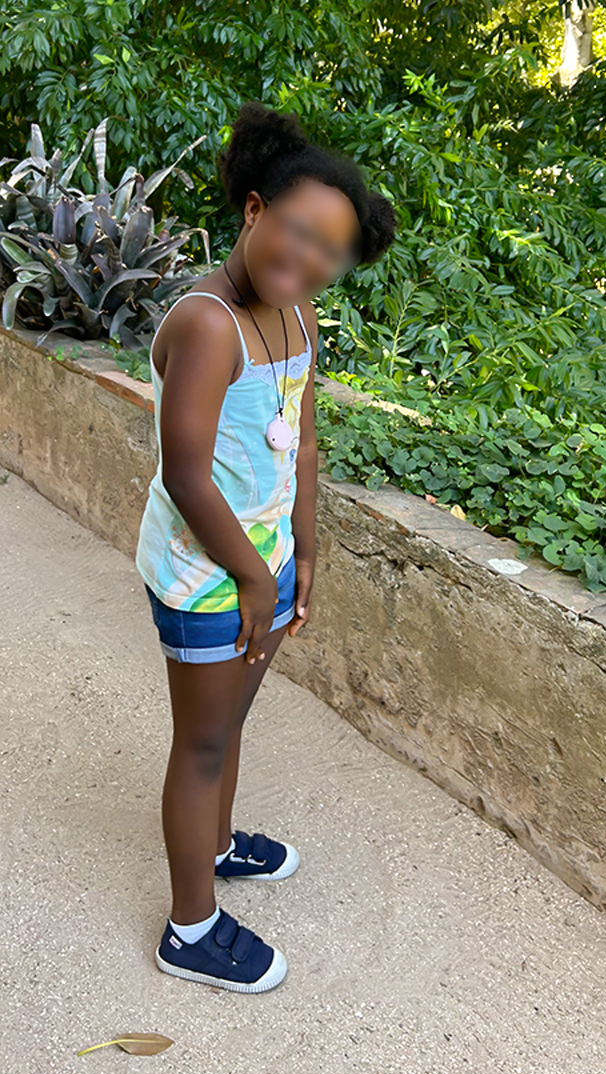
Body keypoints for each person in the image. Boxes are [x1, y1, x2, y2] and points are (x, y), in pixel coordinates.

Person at [135, 101, 397, 993]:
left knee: (231, 721)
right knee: (202, 744)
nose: (310, 258)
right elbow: (185, 474)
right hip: (207, 575)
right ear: (254, 211)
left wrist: (303, 552)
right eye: (298, 232)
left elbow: (303, 444)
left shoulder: (298, 318)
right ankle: (189, 928)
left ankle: (216, 844)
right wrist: (253, 577)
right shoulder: (210, 324)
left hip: (266, 562)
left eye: (332, 250)